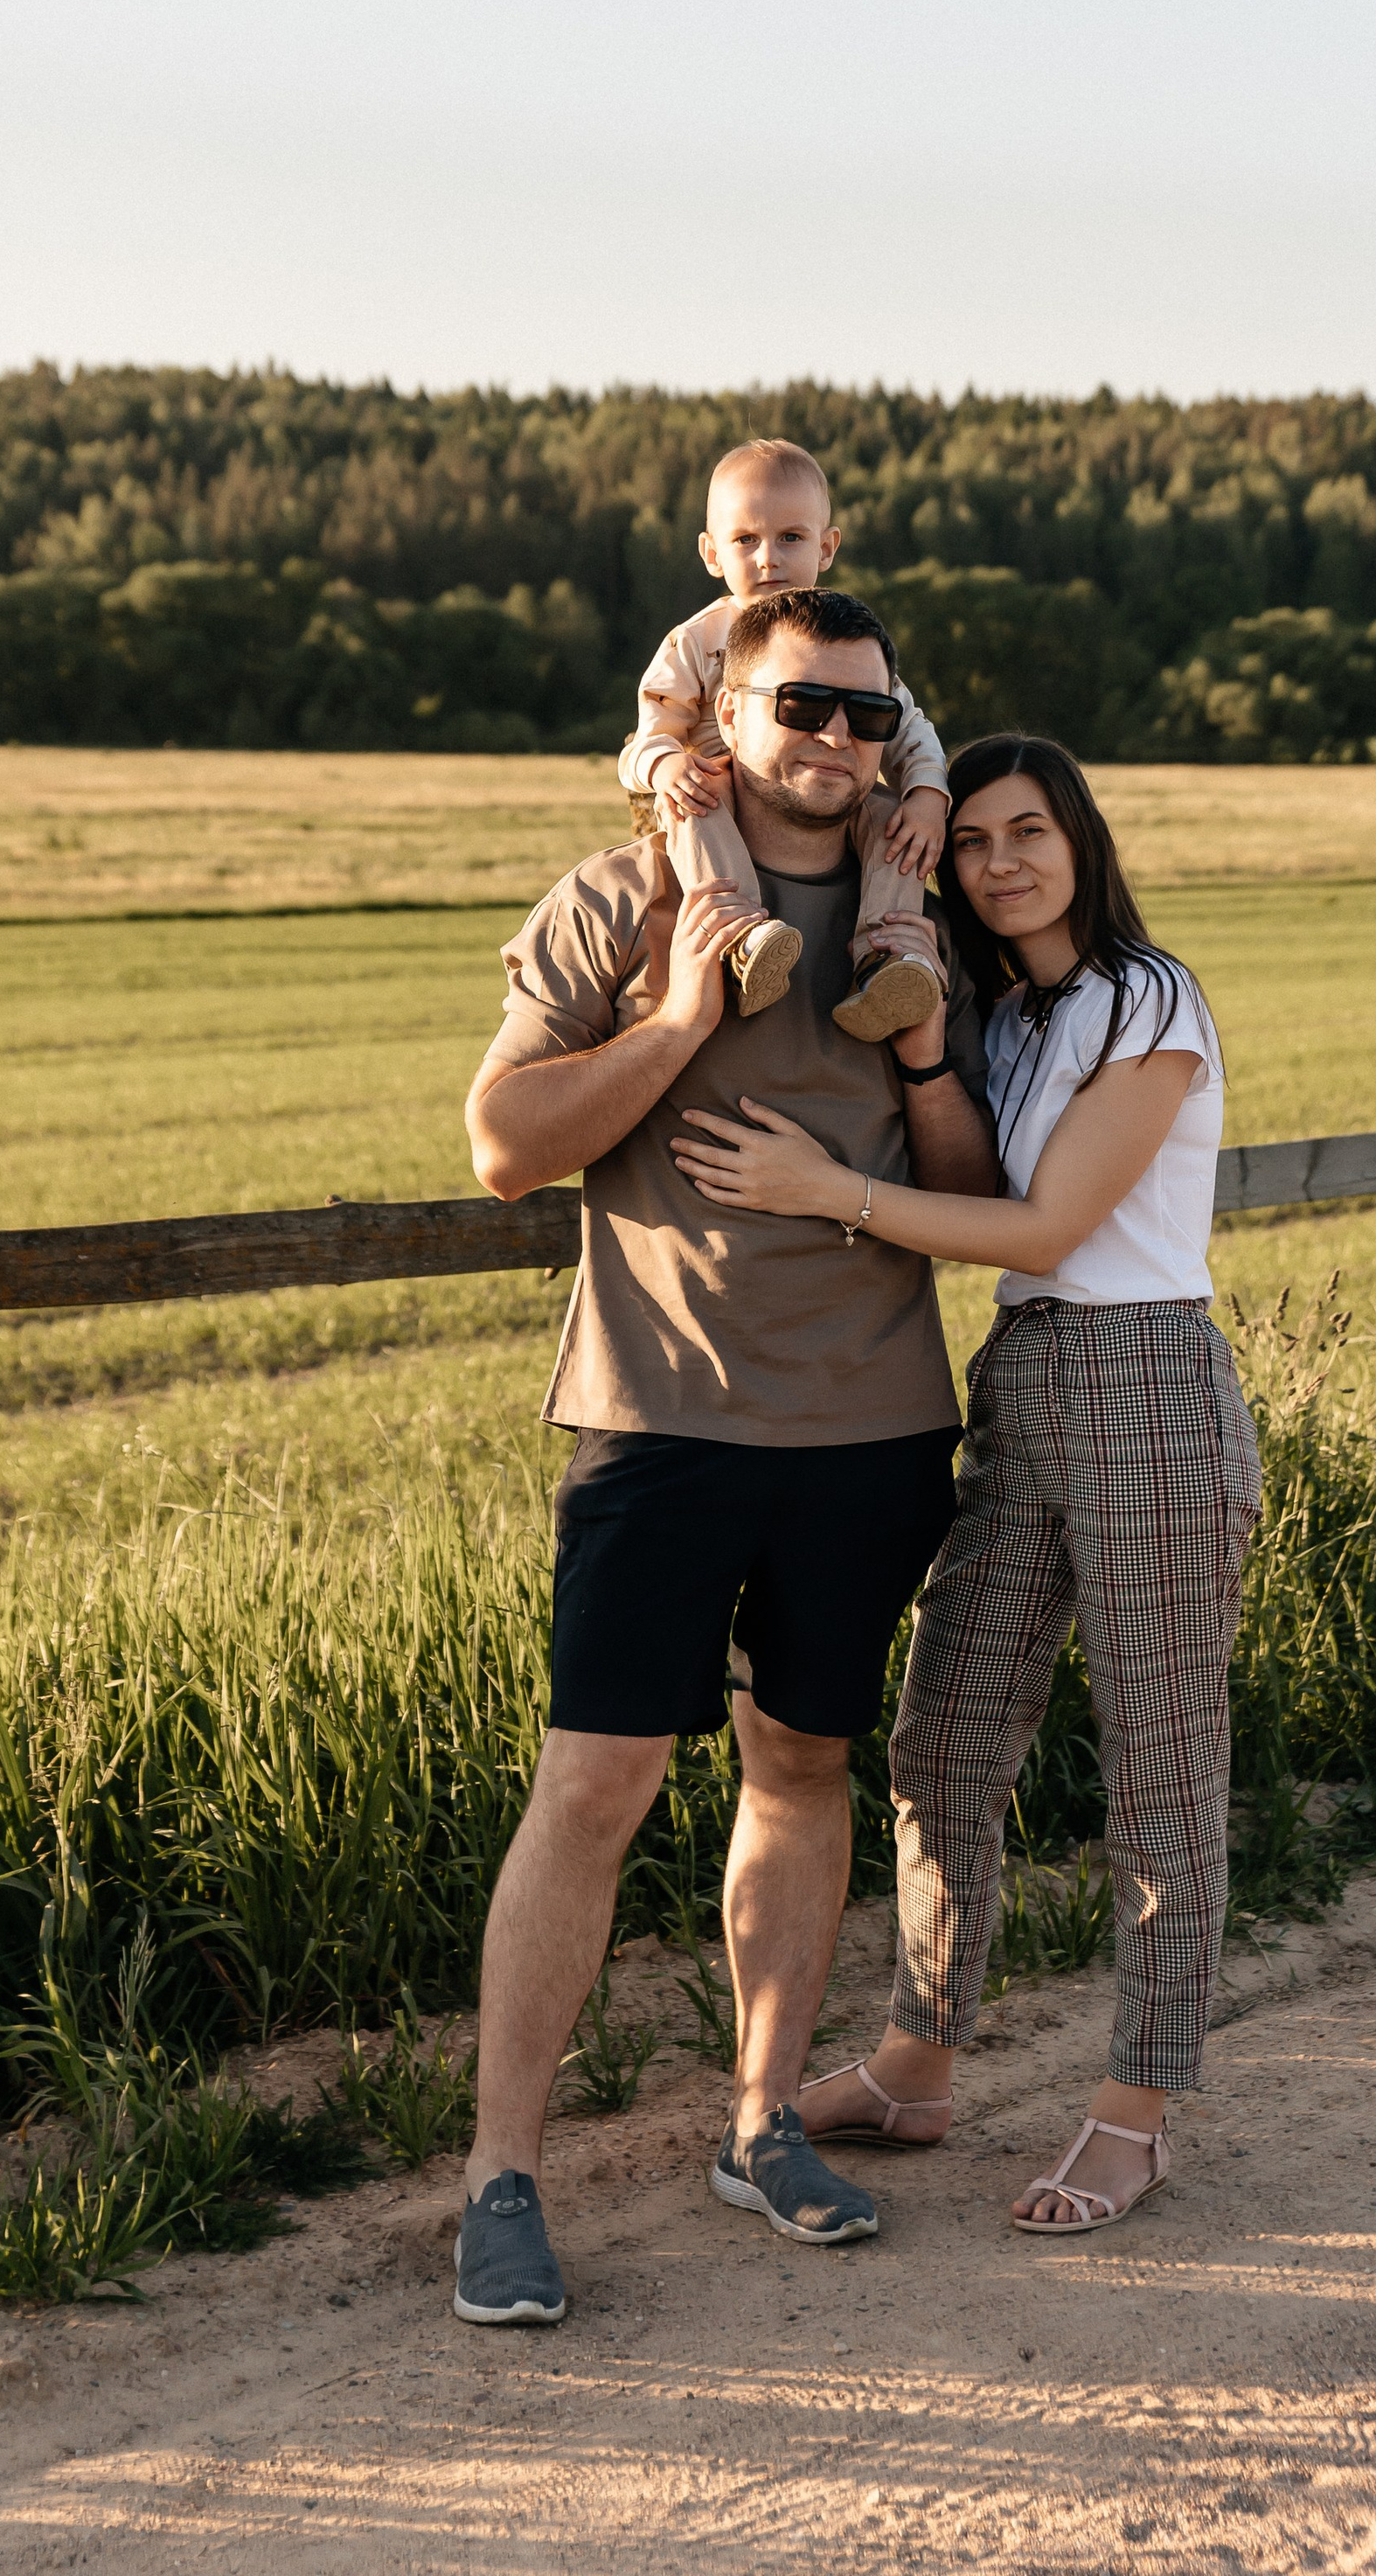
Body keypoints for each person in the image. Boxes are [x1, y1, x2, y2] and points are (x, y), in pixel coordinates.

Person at [450, 588, 999, 2326]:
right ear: (727, 713)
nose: (829, 741)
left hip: (871, 1428)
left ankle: (761, 2121)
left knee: (800, 1765)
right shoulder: (622, 899)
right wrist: (679, 1023)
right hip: (658, 1419)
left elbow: (977, 1195)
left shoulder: (932, 921)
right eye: (797, 709)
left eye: (861, 713)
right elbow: (501, 1146)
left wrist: (915, 1059)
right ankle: (500, 2179)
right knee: (595, 1789)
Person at [672, 732, 1260, 2244]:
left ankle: (1135, 2115)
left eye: (1029, 833)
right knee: (944, 1737)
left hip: (1144, 1383)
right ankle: (918, 2063)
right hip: (1019, 1390)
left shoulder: (1152, 997)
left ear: (1082, 840)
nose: (1000, 862)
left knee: (1159, 1762)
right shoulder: (992, 1021)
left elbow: (1055, 1221)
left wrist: (830, 1196)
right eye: (976, 840)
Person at [621, 439, 951, 1041]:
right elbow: (646, 737)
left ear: (827, 548)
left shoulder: (846, 642)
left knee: (889, 821)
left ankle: (886, 958)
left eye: (791, 538)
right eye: (746, 539)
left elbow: (905, 725)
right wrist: (667, 767)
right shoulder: (697, 642)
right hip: (716, 790)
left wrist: (927, 793)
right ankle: (745, 940)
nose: (768, 557)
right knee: (701, 799)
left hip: (825, 794)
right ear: (711, 552)